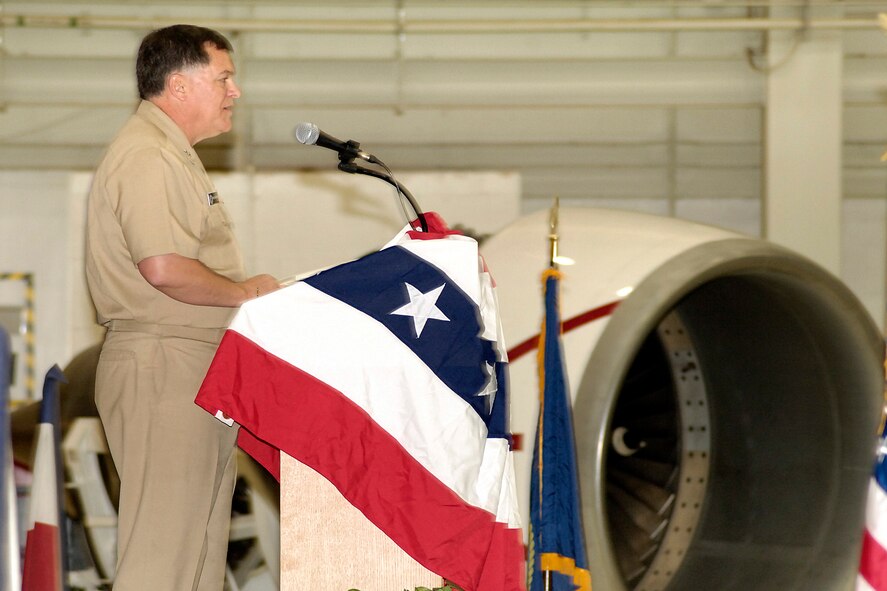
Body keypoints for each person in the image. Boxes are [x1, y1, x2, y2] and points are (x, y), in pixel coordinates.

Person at [84, 24, 279, 590]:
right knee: (162, 561)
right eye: (223, 78)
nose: (235, 91)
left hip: (189, 364)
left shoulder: (172, 154)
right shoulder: (148, 155)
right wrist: (246, 293)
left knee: (195, 565)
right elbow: (164, 268)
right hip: (164, 364)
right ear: (179, 85)